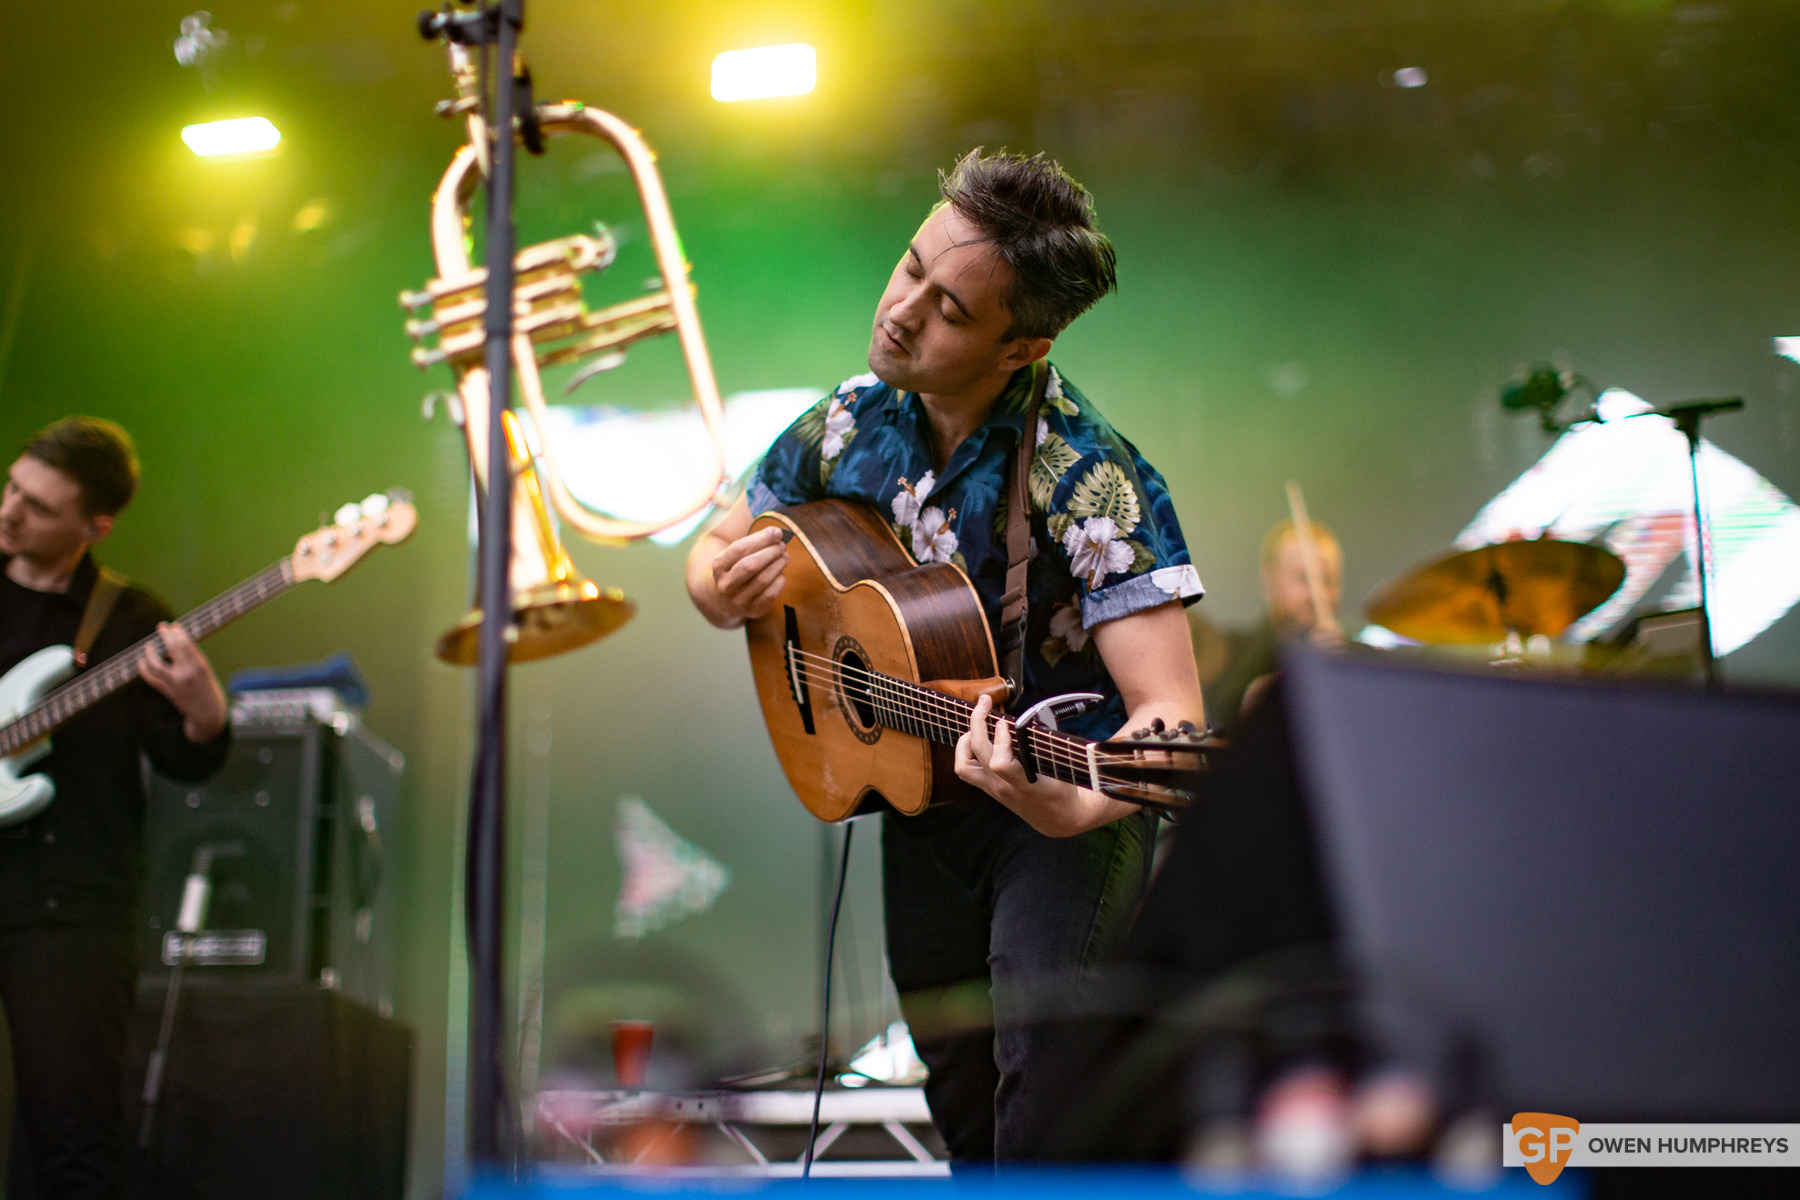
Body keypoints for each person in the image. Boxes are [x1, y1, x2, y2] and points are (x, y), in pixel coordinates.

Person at [685, 150, 1205, 1161]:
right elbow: (711, 553)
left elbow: (1171, 724)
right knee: (962, 1102)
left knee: (1045, 1105)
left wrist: (1078, 803)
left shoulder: (1087, 473)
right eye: (910, 266)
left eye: (952, 311)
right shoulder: (844, 424)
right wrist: (720, 586)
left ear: (1022, 347)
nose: (903, 311)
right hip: (921, 801)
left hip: (1059, 810)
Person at [0, 417, 230, 1198]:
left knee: (73, 1137)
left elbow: (186, 759)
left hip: (71, 909)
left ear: (94, 526)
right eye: (12, 488)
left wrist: (204, 711)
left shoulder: (131, 622)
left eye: (36, 507)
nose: (9, 511)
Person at [1193, 518, 1344, 734]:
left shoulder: (1354, 658)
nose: (1316, 594)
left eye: (1328, 581)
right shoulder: (1227, 650)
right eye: (1304, 579)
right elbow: (1224, 715)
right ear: (1268, 582)